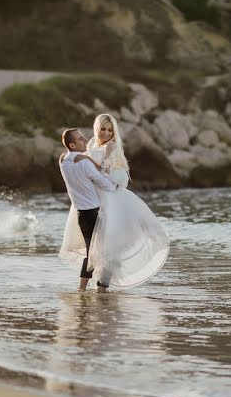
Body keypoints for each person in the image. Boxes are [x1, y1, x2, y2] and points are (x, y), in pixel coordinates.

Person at [60, 113, 169, 289]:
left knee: (110, 247)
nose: (106, 133)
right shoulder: (90, 144)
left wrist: (86, 158)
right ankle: (84, 289)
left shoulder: (110, 147)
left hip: (109, 198)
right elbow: (82, 168)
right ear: (97, 128)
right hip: (93, 199)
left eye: (110, 130)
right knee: (94, 248)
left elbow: (103, 170)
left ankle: (102, 287)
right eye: (103, 129)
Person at [57, 128, 117, 293]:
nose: (84, 140)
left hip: (81, 214)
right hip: (95, 213)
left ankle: (81, 289)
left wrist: (84, 156)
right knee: (107, 252)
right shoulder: (83, 163)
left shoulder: (63, 160)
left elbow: (69, 156)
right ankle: (101, 291)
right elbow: (103, 182)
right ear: (72, 144)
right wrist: (115, 185)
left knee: (92, 251)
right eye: (80, 139)